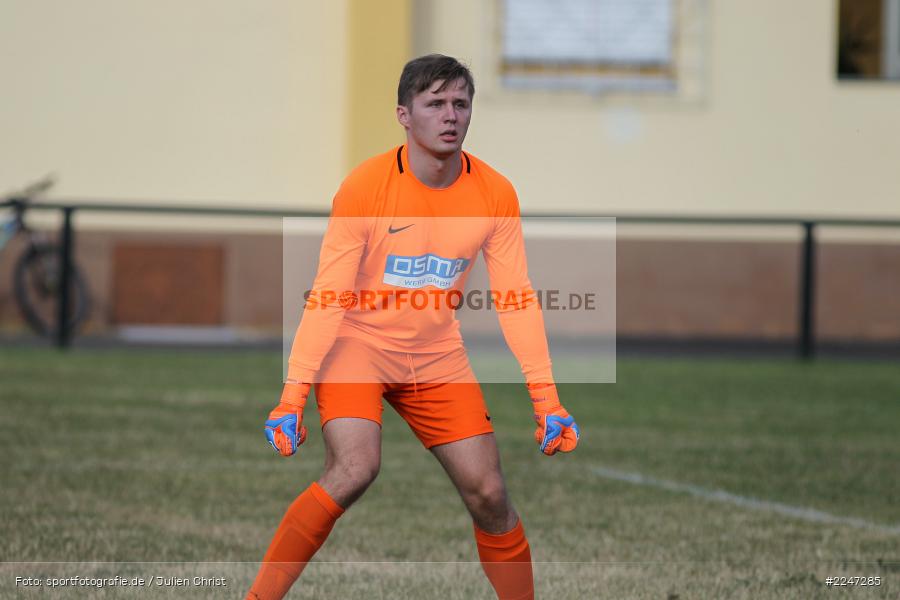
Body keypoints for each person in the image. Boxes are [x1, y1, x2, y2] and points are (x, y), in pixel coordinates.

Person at [246, 54, 579, 600]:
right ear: (404, 114)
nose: (450, 115)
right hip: (356, 346)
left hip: (436, 353)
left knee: (490, 494)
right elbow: (327, 297)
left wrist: (548, 400)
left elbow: (516, 299)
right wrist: (291, 398)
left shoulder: (495, 193)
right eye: (435, 103)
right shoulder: (365, 188)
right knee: (354, 468)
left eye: (460, 103)